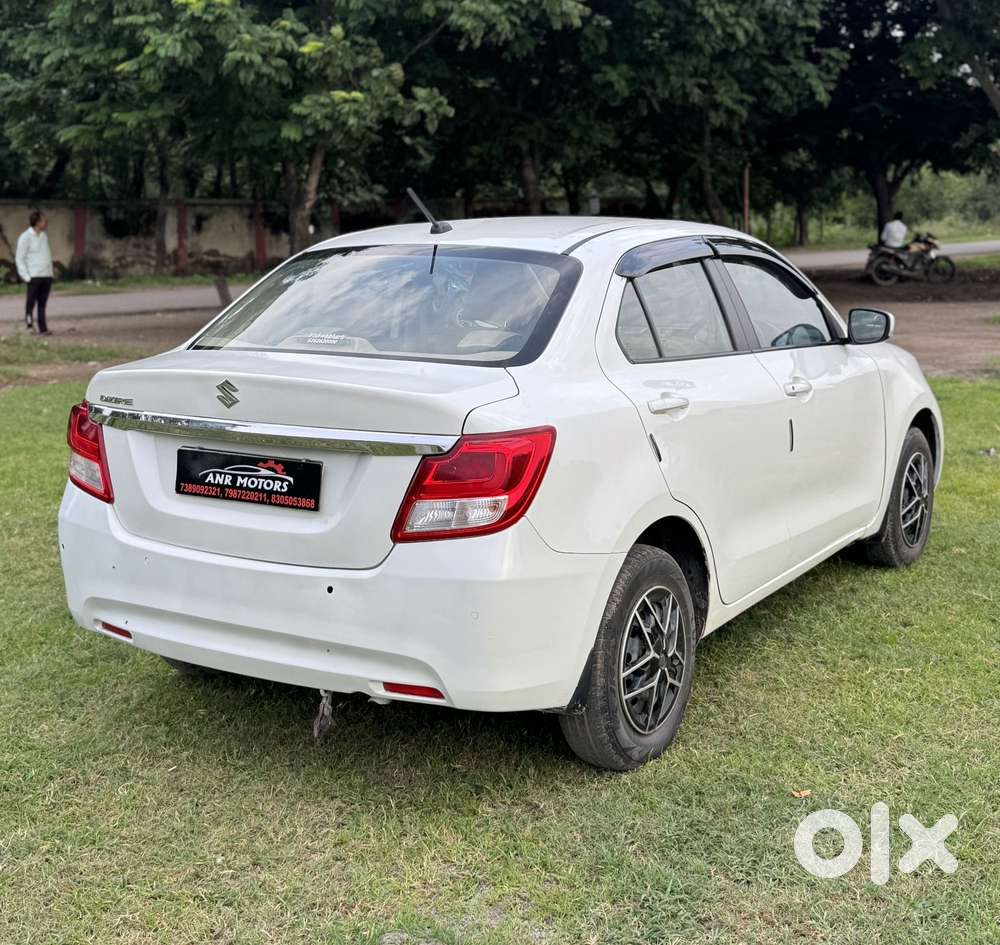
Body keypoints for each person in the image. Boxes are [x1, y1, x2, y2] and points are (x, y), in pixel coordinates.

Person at [15, 210, 54, 334]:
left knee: (42, 303)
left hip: (46, 275)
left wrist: (50, 273)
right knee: (31, 303)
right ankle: (29, 325)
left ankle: (43, 328)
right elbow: (19, 258)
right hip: (34, 276)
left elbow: (46, 255)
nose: (46, 222)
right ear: (37, 222)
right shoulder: (25, 237)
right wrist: (26, 277)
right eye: (44, 220)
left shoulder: (44, 236)